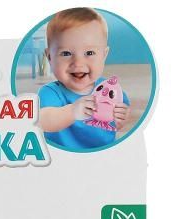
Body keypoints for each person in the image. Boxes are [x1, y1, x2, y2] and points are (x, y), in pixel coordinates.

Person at [38, 8, 131, 149]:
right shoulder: (50, 93)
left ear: (104, 55)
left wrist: (121, 118)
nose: (78, 63)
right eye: (66, 53)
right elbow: (43, 121)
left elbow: (116, 125)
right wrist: (72, 112)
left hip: (104, 153)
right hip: (63, 157)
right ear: (50, 57)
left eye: (89, 53)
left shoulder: (112, 91)